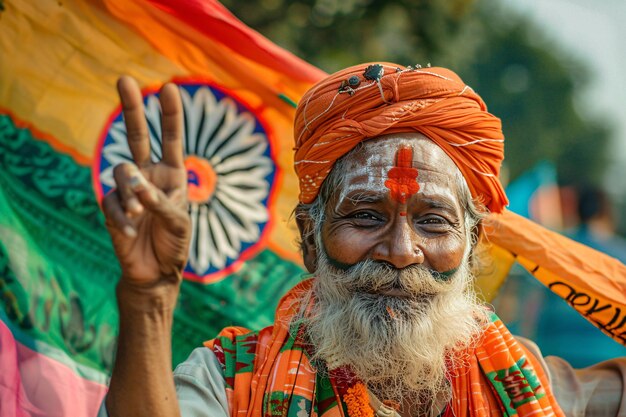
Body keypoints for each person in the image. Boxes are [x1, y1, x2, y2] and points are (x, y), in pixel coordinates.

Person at [100, 64, 626, 417]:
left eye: (434, 222)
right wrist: (148, 297)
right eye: (366, 216)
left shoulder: (517, 378)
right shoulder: (230, 379)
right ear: (311, 238)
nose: (401, 251)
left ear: (471, 246)